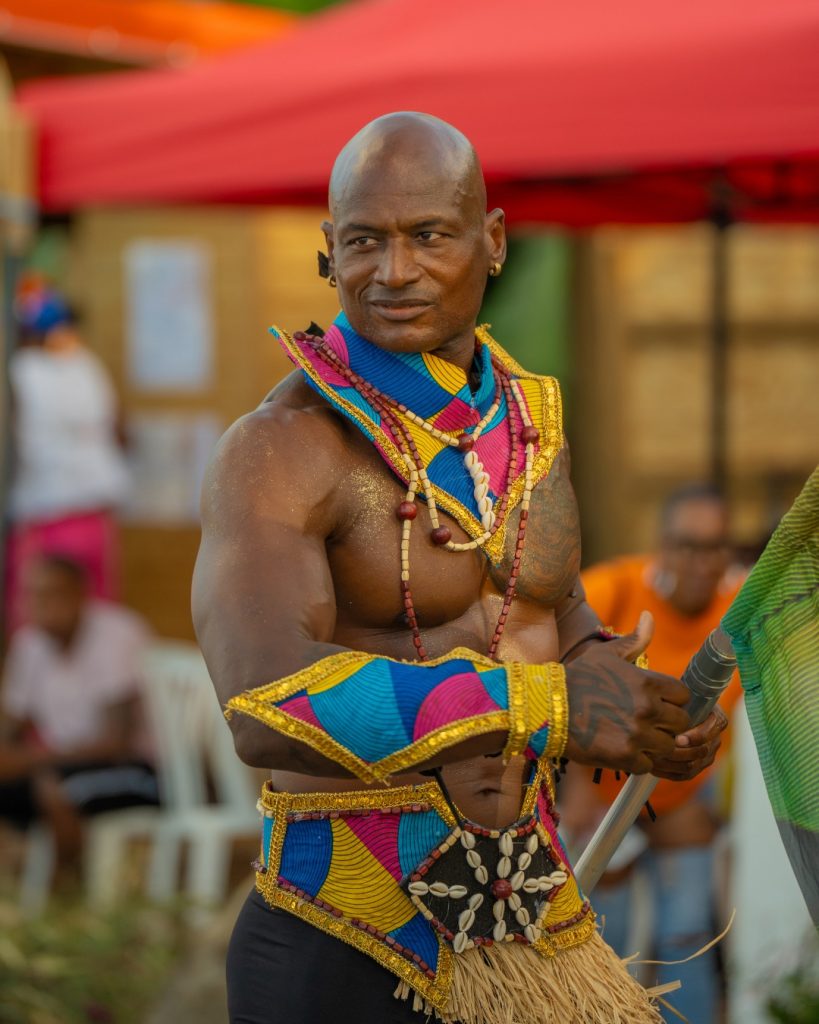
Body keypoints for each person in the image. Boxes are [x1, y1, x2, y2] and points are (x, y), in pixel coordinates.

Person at [192, 112, 726, 1024]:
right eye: (363, 241)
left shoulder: (531, 424)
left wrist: (635, 703)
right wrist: (549, 708)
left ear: (494, 241)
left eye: (429, 236)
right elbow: (261, 703)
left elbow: (547, 615)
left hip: (530, 917)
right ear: (327, 254)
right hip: (343, 935)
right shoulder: (279, 450)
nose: (393, 273)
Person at [559, 484, 743, 1024]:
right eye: (687, 544)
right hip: (601, 804)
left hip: (683, 802)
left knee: (686, 941)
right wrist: (578, 801)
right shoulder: (614, 591)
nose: (699, 561)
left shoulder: (738, 613)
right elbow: (562, 687)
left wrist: (712, 810)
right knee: (603, 947)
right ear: (663, 545)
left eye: (714, 547)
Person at [0, 554, 157, 866]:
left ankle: (67, 890)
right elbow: (11, 724)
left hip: (141, 770)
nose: (40, 604)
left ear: (81, 594)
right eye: (32, 594)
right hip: (64, 764)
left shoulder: (117, 634)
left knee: (53, 788)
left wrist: (27, 759)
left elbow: (116, 743)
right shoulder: (29, 643)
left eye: (52, 593)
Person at [5, 278, 130, 631]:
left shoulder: (21, 370)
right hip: (93, 506)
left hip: (41, 511)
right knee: (98, 612)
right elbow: (118, 428)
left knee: (33, 618)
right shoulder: (87, 366)